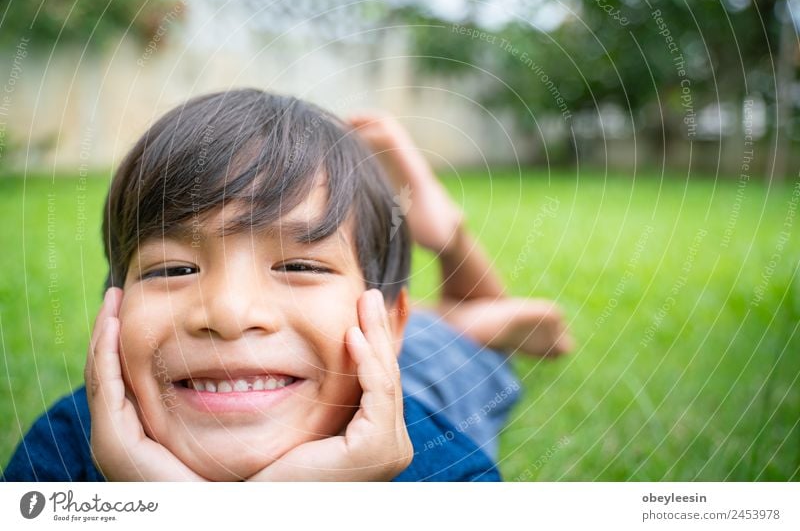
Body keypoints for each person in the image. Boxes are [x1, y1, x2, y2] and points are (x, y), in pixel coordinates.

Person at [2, 89, 571, 482]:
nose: (227, 312)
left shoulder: (446, 471)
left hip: (425, 373)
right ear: (115, 313)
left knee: (498, 342)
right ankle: (458, 304)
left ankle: (450, 244)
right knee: (464, 322)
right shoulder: (67, 451)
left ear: (390, 325)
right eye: (174, 269)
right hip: (330, 346)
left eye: (301, 265)